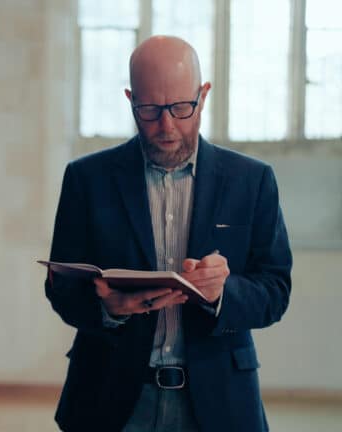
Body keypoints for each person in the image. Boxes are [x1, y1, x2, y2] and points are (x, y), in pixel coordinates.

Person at [45, 35, 292, 432]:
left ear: (203, 95)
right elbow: (61, 288)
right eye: (149, 110)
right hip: (109, 398)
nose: (166, 126)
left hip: (220, 403)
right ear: (130, 99)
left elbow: (276, 291)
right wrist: (109, 310)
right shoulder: (86, 179)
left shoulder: (253, 180)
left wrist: (221, 294)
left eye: (181, 108)